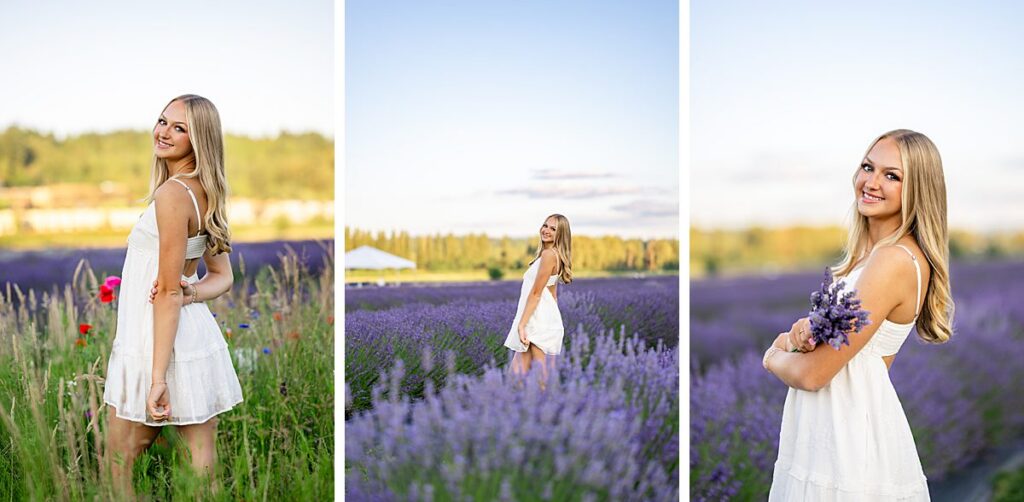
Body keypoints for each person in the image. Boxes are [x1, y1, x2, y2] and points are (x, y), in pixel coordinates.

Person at [762, 129, 954, 500]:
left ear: (918, 189)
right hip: (834, 431)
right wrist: (799, 335)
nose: (871, 182)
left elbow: (814, 373)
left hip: (846, 446)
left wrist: (772, 355)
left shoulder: (892, 259)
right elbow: (841, 352)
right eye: (868, 167)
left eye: (892, 175)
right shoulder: (871, 258)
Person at [102, 94, 243, 495]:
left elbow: (164, 292)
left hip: (153, 343)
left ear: (199, 139)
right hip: (192, 338)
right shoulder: (207, 194)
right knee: (202, 470)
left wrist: (157, 378)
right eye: (163, 121)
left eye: (179, 128)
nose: (164, 132)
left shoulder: (171, 196)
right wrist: (192, 293)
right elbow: (221, 278)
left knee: (118, 465)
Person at [503, 214, 574, 381]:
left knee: (538, 380)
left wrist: (522, 325)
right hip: (539, 319)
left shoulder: (549, 255)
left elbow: (536, 293)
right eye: (545, 225)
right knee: (516, 378)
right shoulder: (549, 255)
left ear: (560, 234)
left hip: (535, 322)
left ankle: (548, 406)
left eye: (553, 228)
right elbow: (552, 293)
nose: (546, 230)